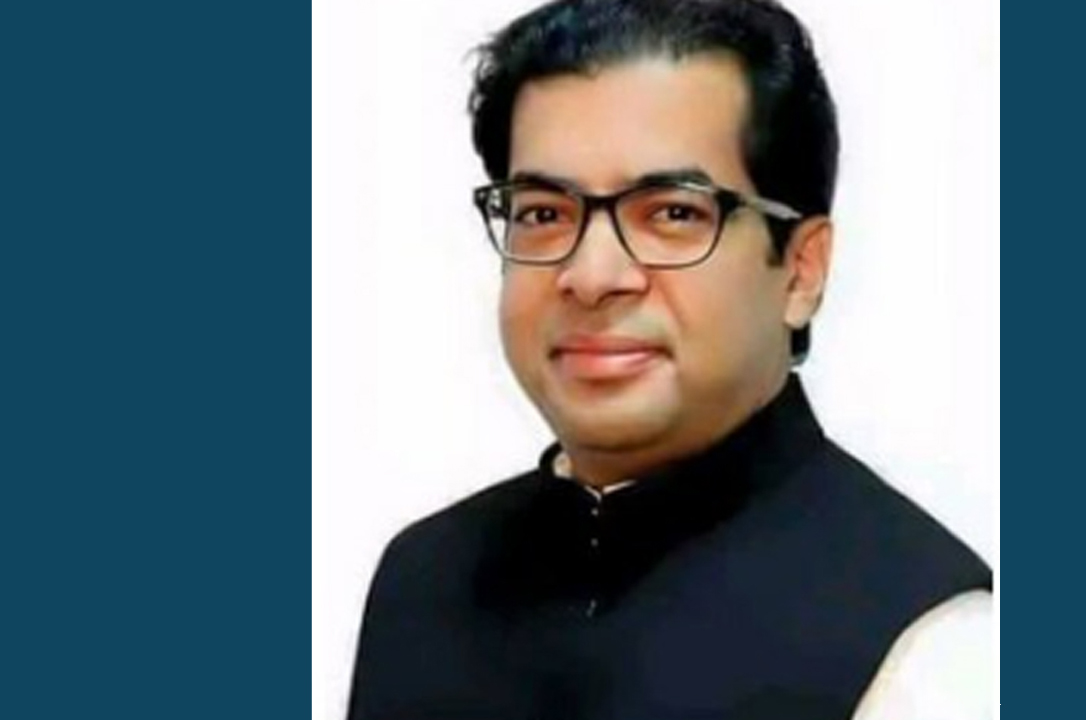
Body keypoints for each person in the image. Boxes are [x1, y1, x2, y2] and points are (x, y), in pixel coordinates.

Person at [346, 0, 993, 718]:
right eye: (543, 213)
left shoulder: (933, 642)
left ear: (801, 271)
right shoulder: (424, 581)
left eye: (673, 213)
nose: (592, 276)